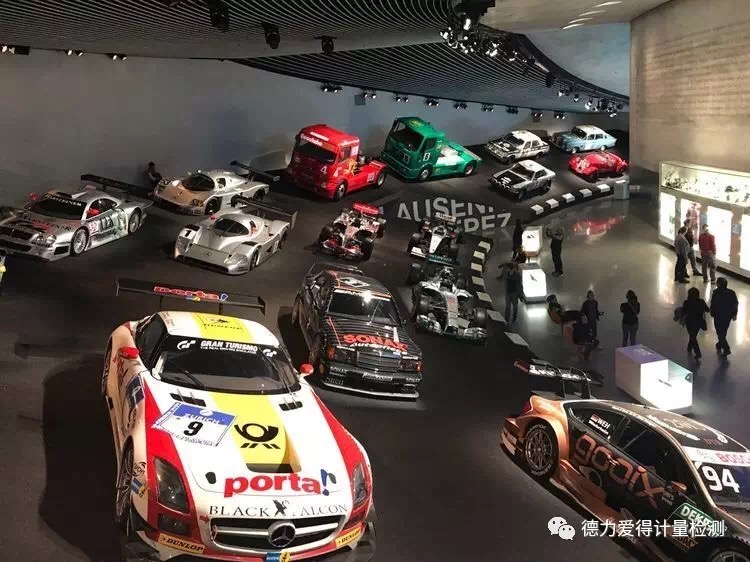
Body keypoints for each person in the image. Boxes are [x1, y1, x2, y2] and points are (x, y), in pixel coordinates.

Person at [710, 277, 738, 356]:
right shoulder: (731, 292)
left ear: (718, 284)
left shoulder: (716, 293)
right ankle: (720, 344)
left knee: (719, 331)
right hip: (728, 316)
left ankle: (726, 348)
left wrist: (712, 312)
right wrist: (734, 314)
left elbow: (713, 304)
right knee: (724, 330)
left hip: (718, 315)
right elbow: (735, 304)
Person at [682, 286, 709, 360]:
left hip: (689, 322)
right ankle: (689, 347)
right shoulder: (701, 302)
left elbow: (684, 311)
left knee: (692, 336)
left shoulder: (687, 302)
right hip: (698, 322)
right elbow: (707, 310)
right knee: (693, 336)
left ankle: (698, 353)